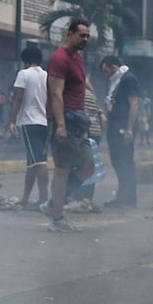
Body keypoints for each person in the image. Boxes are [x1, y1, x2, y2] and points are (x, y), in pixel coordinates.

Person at [45, 18, 92, 233]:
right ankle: (57, 217)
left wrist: (97, 108)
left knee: (88, 167)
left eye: (87, 35)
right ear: (70, 33)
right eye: (81, 34)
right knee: (63, 169)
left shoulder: (78, 58)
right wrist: (60, 125)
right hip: (65, 119)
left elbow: (84, 84)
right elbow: (56, 93)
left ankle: (54, 201)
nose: (85, 38)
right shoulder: (59, 58)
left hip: (80, 120)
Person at [8, 44, 50, 210]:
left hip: (29, 121)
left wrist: (12, 120)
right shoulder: (47, 75)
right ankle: (26, 198)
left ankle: (43, 199)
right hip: (44, 122)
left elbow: (18, 98)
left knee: (39, 161)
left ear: (25, 61)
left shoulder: (23, 74)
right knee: (33, 162)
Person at [98, 55, 142, 209]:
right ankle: (123, 195)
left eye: (106, 71)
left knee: (125, 161)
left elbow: (134, 104)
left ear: (113, 67)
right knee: (117, 161)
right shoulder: (115, 82)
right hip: (115, 125)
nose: (105, 74)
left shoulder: (128, 79)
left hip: (123, 126)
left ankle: (129, 198)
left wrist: (129, 129)